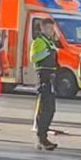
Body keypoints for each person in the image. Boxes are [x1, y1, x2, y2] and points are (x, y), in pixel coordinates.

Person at [30, 19, 60, 151]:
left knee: (51, 109)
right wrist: (46, 53)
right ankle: (41, 138)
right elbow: (33, 58)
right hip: (43, 76)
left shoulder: (50, 42)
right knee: (44, 108)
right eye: (48, 28)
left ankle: (44, 135)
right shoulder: (39, 41)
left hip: (51, 77)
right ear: (42, 29)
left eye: (52, 28)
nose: (50, 31)